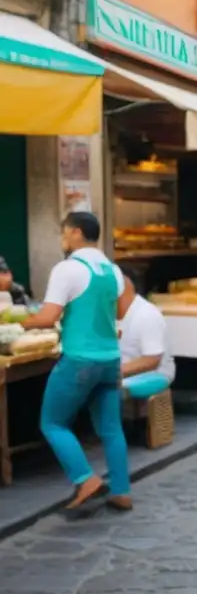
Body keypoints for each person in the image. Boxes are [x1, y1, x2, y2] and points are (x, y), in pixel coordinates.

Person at [22, 212, 132, 514]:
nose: (62, 238)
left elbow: (48, 317)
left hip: (80, 360)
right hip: (110, 359)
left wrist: (23, 324)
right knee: (111, 428)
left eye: (64, 232)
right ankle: (121, 490)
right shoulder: (113, 270)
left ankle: (85, 479)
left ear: (76, 233)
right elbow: (121, 312)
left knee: (53, 422)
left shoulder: (67, 269)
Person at [118, 271, 175, 398]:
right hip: (120, 371)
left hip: (154, 374)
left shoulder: (147, 315)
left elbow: (152, 360)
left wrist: (114, 372)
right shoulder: (108, 314)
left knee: (106, 389)